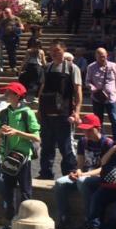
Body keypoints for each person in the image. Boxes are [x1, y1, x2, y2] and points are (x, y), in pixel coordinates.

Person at [0, 82, 41, 229]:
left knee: (25, 192)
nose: (6, 96)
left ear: (17, 95)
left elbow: (37, 137)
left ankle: (26, 223)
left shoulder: (27, 113)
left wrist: (17, 132)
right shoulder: (3, 113)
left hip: (23, 158)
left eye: (9, 93)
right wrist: (0, 132)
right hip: (7, 158)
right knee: (8, 192)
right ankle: (9, 222)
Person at [54, 113, 113, 229]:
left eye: (90, 130)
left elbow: (104, 169)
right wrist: (76, 172)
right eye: (85, 130)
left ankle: (88, 220)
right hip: (84, 175)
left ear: (98, 128)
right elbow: (80, 164)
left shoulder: (108, 144)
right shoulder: (83, 142)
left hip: (99, 177)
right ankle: (63, 217)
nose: (87, 134)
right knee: (60, 183)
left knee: (82, 181)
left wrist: (83, 175)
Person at [36, 40, 82, 179]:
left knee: (65, 145)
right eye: (52, 50)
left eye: (57, 50)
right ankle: (45, 172)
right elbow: (42, 89)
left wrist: (77, 111)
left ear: (64, 50)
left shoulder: (72, 68)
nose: (54, 53)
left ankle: (70, 173)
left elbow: (78, 91)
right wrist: (39, 108)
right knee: (47, 145)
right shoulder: (47, 68)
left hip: (63, 113)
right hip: (47, 112)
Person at [85, 47, 116, 142]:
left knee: (114, 120)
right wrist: (93, 88)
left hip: (111, 98)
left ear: (107, 55)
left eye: (103, 56)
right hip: (97, 98)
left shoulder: (113, 66)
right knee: (98, 121)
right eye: (100, 56)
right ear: (96, 56)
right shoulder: (91, 67)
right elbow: (87, 81)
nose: (102, 58)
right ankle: (102, 140)